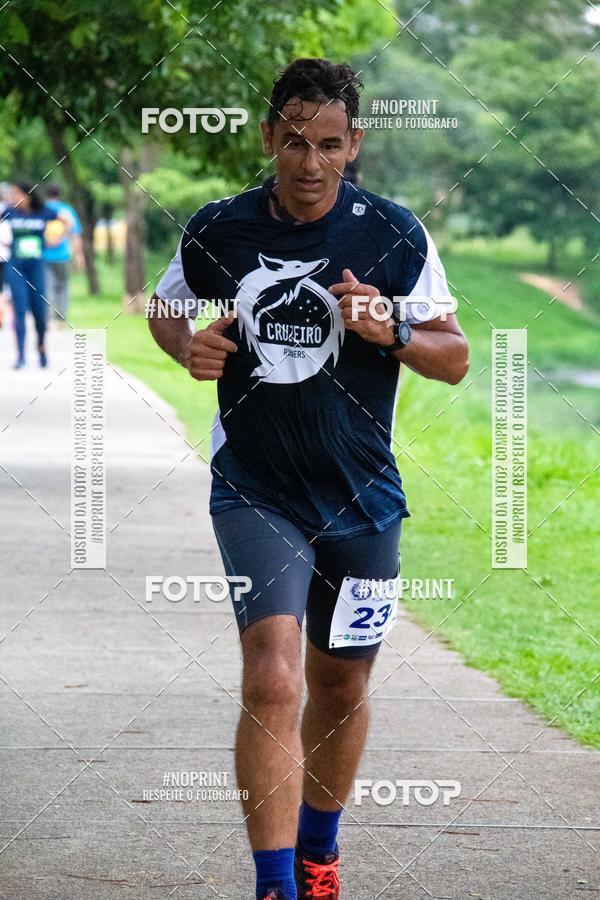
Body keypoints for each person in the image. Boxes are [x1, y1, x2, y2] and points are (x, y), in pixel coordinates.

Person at [148, 58, 469, 900]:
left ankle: (320, 852)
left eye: (330, 144)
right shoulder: (218, 229)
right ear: (269, 138)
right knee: (273, 671)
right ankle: (275, 884)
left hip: (363, 492)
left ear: (354, 143)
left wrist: (390, 326)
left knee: (341, 680)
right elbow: (167, 308)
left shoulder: (394, 234)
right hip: (256, 486)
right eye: (294, 141)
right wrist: (189, 346)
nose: (311, 162)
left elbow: (457, 357)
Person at [3, 182, 70, 368]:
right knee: (19, 309)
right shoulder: (10, 212)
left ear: (28, 195)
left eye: (17, 194)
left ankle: (41, 345)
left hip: (36, 268)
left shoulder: (44, 211)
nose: (14, 198)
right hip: (16, 268)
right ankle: (21, 356)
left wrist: (56, 240)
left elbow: (67, 221)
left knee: (40, 313)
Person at [43, 183, 84, 326]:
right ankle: (61, 318)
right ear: (60, 194)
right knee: (63, 285)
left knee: (47, 286)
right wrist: (79, 255)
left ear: (46, 194)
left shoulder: (42, 209)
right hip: (63, 255)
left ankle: (48, 318)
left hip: (44, 254)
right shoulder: (67, 210)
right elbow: (76, 234)